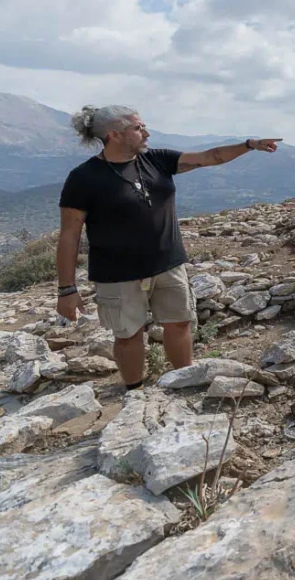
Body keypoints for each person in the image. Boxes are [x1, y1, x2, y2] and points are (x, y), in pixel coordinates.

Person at [55, 104, 281, 390]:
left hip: (168, 264)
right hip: (117, 274)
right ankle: (135, 393)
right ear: (114, 134)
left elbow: (209, 158)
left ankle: (183, 385)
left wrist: (249, 145)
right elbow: (69, 236)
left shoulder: (156, 160)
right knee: (128, 336)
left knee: (179, 324)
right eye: (138, 128)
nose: (147, 133)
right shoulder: (83, 178)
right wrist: (67, 290)